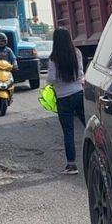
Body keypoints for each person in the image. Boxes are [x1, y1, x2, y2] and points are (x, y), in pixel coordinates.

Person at [46, 27, 85, 175]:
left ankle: (71, 165)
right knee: (89, 125)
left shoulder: (53, 57)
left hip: (63, 98)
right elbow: (81, 73)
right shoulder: (77, 53)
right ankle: (104, 156)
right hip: (78, 93)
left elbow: (51, 79)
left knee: (68, 132)